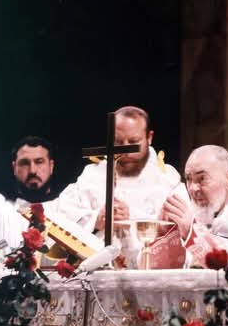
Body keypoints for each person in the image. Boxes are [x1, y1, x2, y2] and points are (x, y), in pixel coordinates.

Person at [57, 105, 181, 268]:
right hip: (95, 273)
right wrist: (96, 220)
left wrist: (130, 220)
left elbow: (178, 231)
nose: (125, 150)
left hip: (145, 272)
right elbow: (61, 217)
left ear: (149, 137)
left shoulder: (167, 178)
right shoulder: (92, 175)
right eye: (118, 142)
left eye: (133, 142)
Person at [149, 145, 228, 267]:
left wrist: (193, 233)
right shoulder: (186, 205)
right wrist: (164, 235)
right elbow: (162, 271)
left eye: (202, 178)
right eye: (189, 179)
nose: (193, 188)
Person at [0, 135, 58, 251]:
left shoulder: (67, 207)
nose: (32, 170)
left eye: (39, 162)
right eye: (24, 163)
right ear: (14, 167)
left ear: (51, 166)